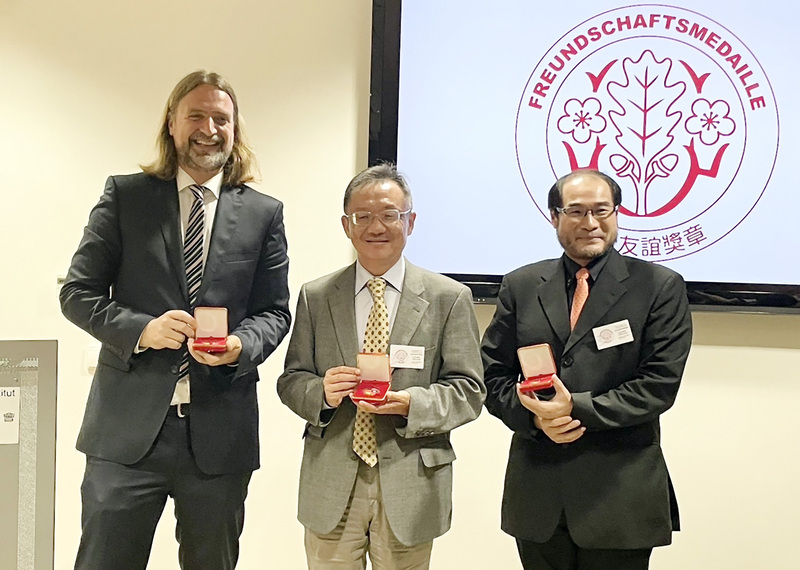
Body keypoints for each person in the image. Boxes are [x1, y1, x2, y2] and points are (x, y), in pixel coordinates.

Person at [60, 70, 291, 570]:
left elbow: (274, 312)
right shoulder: (126, 196)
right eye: (197, 116)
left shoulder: (264, 213)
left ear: (235, 129)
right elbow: (78, 293)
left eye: (221, 119)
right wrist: (142, 330)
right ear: (172, 122)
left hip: (218, 435)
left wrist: (240, 344)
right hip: (126, 436)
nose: (209, 128)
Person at [480, 169, 692, 570]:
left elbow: (658, 385)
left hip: (619, 495)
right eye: (576, 211)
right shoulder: (521, 285)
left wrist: (571, 409)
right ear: (554, 216)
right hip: (539, 492)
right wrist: (535, 417)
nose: (590, 223)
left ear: (617, 213)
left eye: (601, 210)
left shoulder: (659, 286)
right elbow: (492, 375)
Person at [277, 163, 485, 569]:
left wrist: (411, 403)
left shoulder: (449, 297)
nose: (377, 226)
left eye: (390, 215)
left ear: (410, 222)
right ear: (346, 225)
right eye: (364, 217)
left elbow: (468, 391)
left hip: (412, 481)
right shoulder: (316, 296)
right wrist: (322, 391)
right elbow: (291, 379)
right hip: (333, 481)